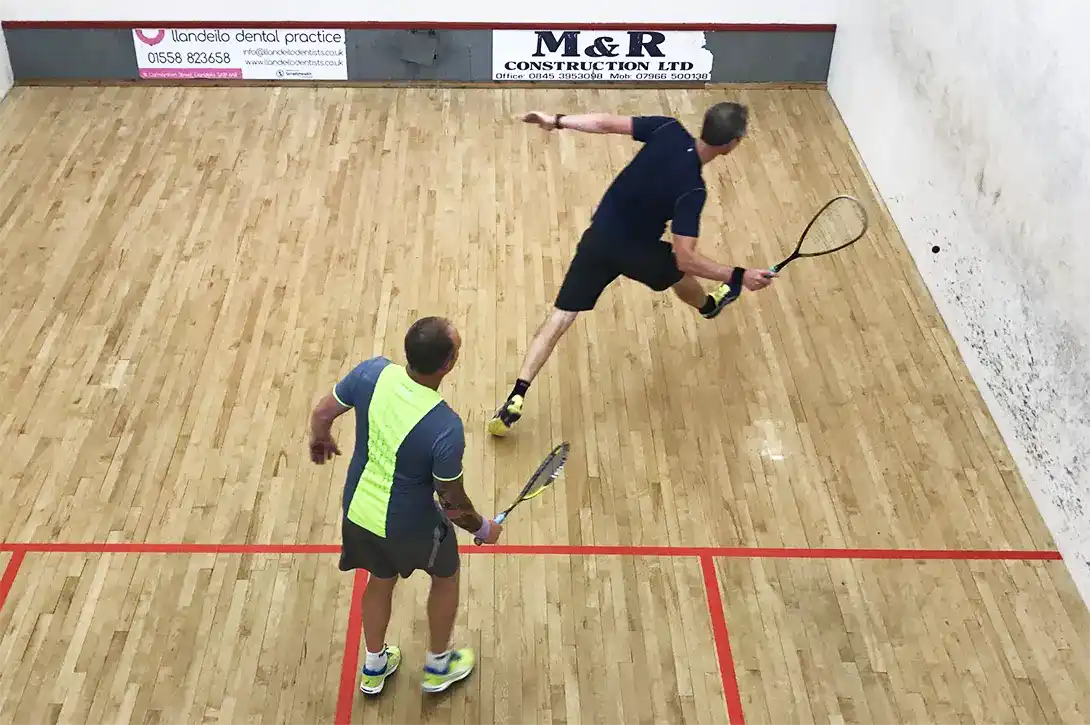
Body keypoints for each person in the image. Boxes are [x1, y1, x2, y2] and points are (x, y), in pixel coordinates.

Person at [488, 103, 778, 437]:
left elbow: (603, 122)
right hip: (638, 252)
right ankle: (709, 306)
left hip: (598, 241)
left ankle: (517, 395)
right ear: (732, 145)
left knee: (561, 317)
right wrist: (739, 275)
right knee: (678, 271)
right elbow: (686, 259)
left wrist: (555, 121)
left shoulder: (668, 129)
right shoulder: (693, 190)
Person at [309, 316, 503, 696]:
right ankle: (437, 667)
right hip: (409, 524)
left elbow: (321, 414)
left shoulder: (371, 373)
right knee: (446, 576)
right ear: (448, 365)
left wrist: (320, 440)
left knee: (380, 580)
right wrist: (483, 528)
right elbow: (452, 503)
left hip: (358, 510)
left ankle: (374, 666)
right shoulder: (445, 426)